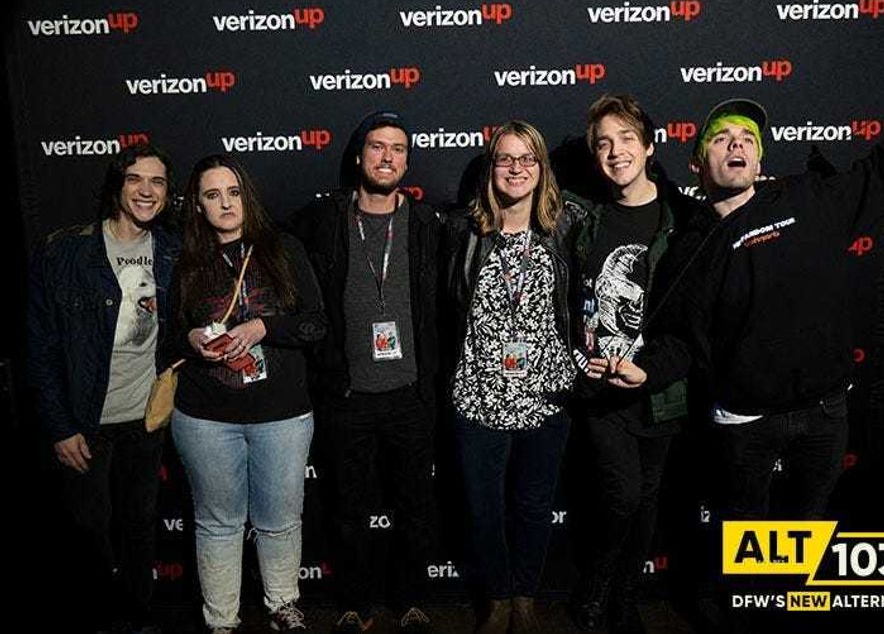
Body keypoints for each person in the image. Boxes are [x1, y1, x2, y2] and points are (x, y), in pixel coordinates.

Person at [599, 46, 884, 521]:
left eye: (747, 139)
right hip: (745, 423)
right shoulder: (689, 250)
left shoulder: (809, 198)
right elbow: (681, 342)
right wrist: (645, 371)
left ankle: (787, 597)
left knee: (804, 533)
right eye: (721, 139)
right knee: (744, 540)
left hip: (825, 413)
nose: (737, 145)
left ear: (758, 160)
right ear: (697, 164)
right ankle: (743, 598)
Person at [288, 110, 442, 633]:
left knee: (414, 507)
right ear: (359, 156)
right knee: (347, 507)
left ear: (407, 160)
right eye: (377, 147)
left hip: (409, 393)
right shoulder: (324, 219)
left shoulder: (426, 223)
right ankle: (354, 602)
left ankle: (411, 600)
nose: (387, 157)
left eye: (398, 148)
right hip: (347, 394)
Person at [166, 154, 326, 633]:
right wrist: (192, 339)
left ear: (247, 197)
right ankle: (221, 621)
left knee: (279, 518)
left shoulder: (283, 249)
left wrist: (262, 327)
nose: (225, 203)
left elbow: (316, 323)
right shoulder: (184, 258)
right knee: (218, 522)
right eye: (212, 195)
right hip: (205, 417)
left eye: (233, 192)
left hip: (281, 414)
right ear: (197, 205)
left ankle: (282, 606)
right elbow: (168, 338)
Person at [27, 144, 180, 633]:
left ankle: (137, 618)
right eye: (136, 179)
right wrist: (59, 425)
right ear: (118, 185)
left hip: (145, 419)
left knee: (139, 527)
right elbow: (43, 348)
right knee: (89, 531)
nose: (147, 190)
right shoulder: (66, 252)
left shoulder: (174, 251)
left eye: (157, 182)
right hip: (85, 420)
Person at [445, 120, 586, 634]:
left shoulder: (564, 228)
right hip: (478, 397)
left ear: (542, 169)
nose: (516, 169)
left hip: (546, 396)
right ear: (491, 168)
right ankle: (498, 598)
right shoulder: (463, 230)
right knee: (484, 511)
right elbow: (447, 310)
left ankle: (526, 598)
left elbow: (578, 306)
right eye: (506, 159)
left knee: (532, 508)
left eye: (528, 159)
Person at [570, 95, 691, 633]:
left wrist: (653, 369)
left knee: (646, 501)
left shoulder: (683, 218)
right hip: (601, 393)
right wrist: (580, 358)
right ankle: (596, 587)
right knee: (621, 496)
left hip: (661, 389)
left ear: (647, 146)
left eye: (625, 139)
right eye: (603, 143)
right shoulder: (583, 218)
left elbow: (695, 317)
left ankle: (624, 597)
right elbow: (566, 302)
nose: (615, 152)